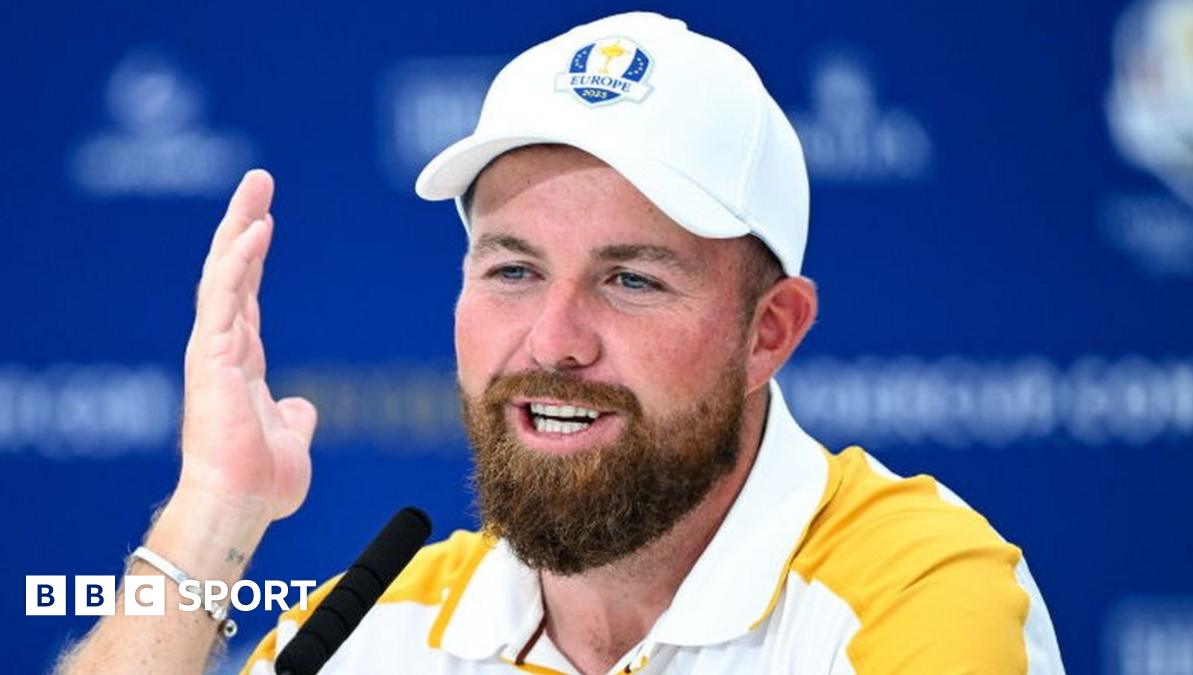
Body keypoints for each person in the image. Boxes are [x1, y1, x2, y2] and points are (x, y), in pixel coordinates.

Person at [58, 11, 1066, 675]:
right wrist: (211, 515)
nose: (553, 340)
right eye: (513, 270)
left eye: (631, 280)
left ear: (770, 332)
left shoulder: (915, 596)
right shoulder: (374, 630)